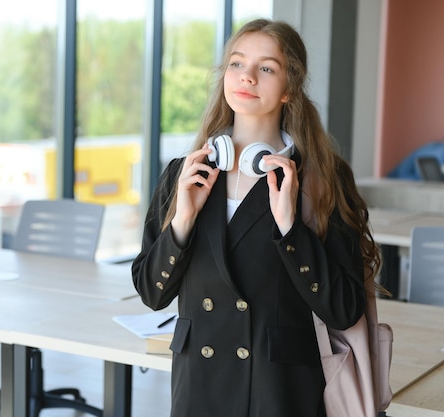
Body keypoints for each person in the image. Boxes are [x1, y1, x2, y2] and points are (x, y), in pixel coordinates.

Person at [131, 18, 382, 417]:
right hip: (200, 389)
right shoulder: (186, 173)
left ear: (289, 89)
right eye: (236, 63)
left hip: (280, 392)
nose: (246, 76)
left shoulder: (321, 179)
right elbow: (151, 293)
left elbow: (344, 309)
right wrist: (183, 220)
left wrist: (289, 229)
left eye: (266, 68)